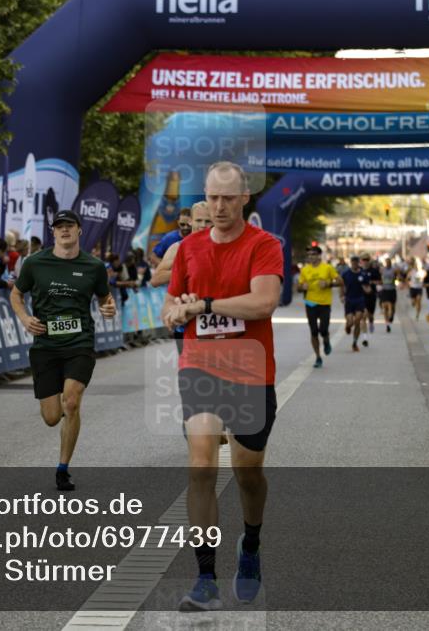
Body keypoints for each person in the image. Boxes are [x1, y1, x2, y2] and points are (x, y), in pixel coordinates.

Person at [161, 162, 282, 612]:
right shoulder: (189, 248)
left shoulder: (264, 245)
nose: (219, 206)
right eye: (212, 197)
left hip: (250, 370)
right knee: (201, 465)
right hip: (200, 366)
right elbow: (170, 303)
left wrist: (206, 305)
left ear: (244, 198)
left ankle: (250, 544)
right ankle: (205, 579)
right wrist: (174, 313)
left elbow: (263, 302)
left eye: (228, 198)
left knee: (248, 473)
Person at [10, 210, 117, 492]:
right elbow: (16, 294)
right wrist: (24, 318)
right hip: (45, 346)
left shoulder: (94, 266)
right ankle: (59, 411)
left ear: (79, 230)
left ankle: (62, 469)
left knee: (71, 401)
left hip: (79, 343)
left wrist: (109, 307)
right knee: (51, 417)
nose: (65, 230)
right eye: (59, 227)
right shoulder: (35, 263)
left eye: (69, 226)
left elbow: (105, 297)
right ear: (53, 232)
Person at [151, 201, 213, 353]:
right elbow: (156, 279)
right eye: (199, 220)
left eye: (207, 221)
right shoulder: (178, 247)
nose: (203, 225)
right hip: (185, 321)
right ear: (191, 221)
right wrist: (188, 270)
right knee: (190, 366)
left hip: (216, 319)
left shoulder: (223, 246)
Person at [297, 245, 337, 368]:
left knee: (323, 329)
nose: (311, 257)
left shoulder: (327, 268)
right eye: (309, 255)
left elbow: (340, 281)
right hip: (310, 303)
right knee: (314, 331)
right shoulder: (305, 270)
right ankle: (318, 357)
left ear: (319, 255)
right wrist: (302, 287)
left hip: (324, 303)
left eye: (313, 254)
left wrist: (328, 283)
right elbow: (298, 287)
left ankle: (326, 340)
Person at [338, 254, 370, 352]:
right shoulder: (346, 274)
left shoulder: (363, 274)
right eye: (353, 261)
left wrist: (368, 290)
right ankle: (348, 326)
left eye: (356, 261)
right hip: (349, 300)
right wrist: (341, 296)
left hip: (360, 300)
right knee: (350, 322)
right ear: (351, 262)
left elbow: (367, 286)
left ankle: (355, 343)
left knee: (357, 321)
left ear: (358, 262)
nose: (355, 263)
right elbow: (341, 285)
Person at [379, 257, 398, 333]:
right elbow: (380, 279)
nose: (387, 264)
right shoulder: (382, 270)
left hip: (392, 290)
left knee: (392, 307)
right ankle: (387, 325)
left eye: (389, 262)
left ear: (391, 263)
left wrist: (397, 278)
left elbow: (398, 277)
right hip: (385, 290)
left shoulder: (394, 270)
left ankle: (391, 316)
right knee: (385, 307)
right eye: (386, 262)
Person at [362, 255, 381, 333]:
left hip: (372, 295)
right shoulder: (360, 271)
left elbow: (380, 281)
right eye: (364, 260)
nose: (365, 262)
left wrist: (371, 282)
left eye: (367, 260)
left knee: (370, 314)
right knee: (364, 313)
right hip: (362, 295)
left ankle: (371, 322)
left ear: (369, 261)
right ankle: (364, 334)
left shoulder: (374, 271)